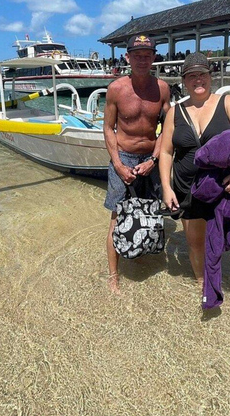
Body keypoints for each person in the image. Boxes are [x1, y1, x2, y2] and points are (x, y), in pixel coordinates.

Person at [158, 52, 230, 306]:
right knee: (195, 244)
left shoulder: (227, 102)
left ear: (210, 76)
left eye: (202, 74)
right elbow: (166, 151)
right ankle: (202, 285)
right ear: (184, 80)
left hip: (227, 189)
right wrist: (166, 187)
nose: (198, 80)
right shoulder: (175, 112)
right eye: (191, 76)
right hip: (188, 189)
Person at [103, 33, 171, 294]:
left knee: (150, 214)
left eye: (147, 55)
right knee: (117, 217)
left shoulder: (162, 88)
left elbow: (168, 126)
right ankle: (113, 276)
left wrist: (155, 159)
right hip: (125, 158)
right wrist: (119, 165)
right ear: (128, 57)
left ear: (154, 57)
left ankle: (141, 256)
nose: (142, 60)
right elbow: (108, 129)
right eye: (137, 55)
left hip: (151, 160)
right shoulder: (117, 89)